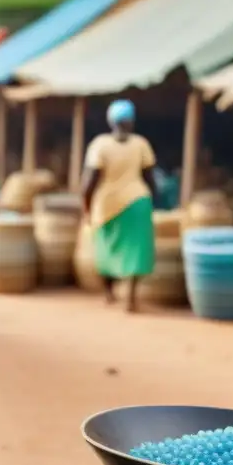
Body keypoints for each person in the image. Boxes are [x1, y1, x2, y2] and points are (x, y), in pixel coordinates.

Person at [81, 99, 157, 313]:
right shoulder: (141, 144)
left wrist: (86, 206)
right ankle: (131, 296)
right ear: (132, 121)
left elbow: (89, 181)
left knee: (106, 247)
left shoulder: (100, 145)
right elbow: (150, 178)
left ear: (110, 121)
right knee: (136, 250)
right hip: (137, 201)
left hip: (107, 204)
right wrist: (157, 201)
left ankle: (109, 293)